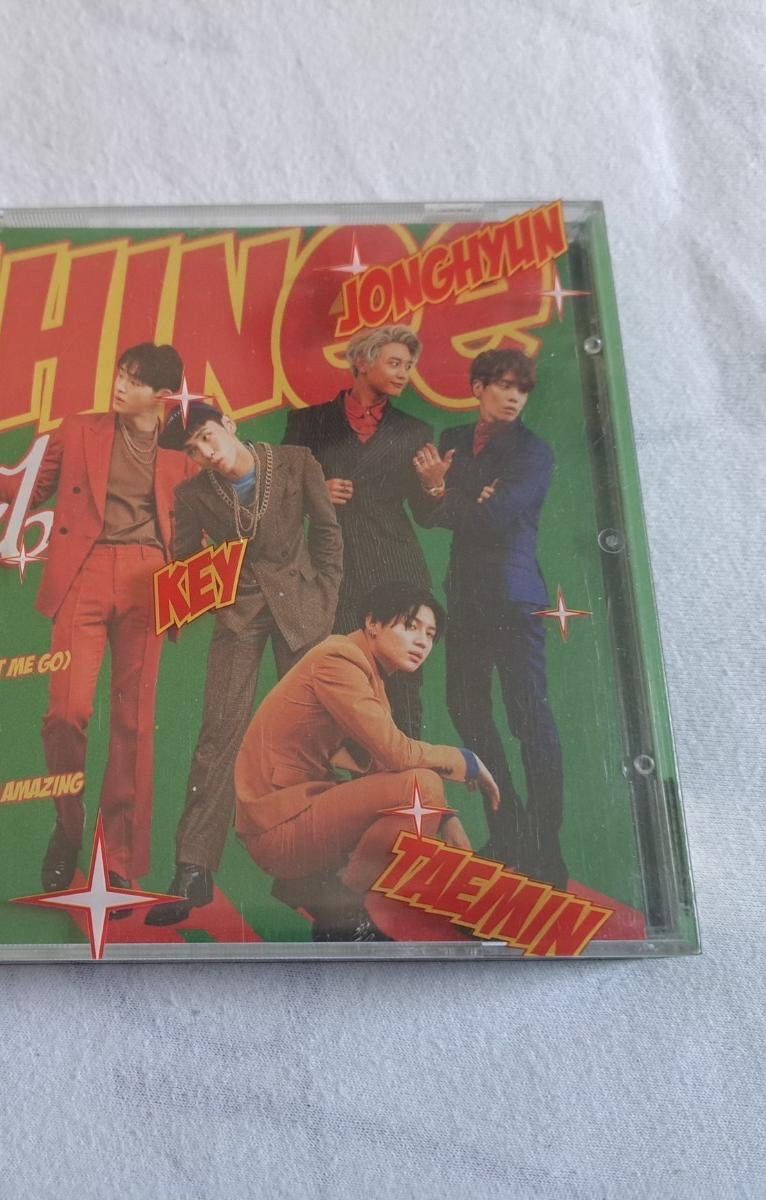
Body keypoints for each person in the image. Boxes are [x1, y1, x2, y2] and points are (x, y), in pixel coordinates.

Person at [0, 344, 198, 894]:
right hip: (84, 571)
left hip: (152, 579)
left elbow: (216, 508)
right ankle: (68, 826)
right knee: (65, 713)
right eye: (120, 374)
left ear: (162, 395)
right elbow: (31, 490)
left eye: (134, 381)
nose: (120, 386)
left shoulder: (185, 447)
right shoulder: (79, 430)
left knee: (134, 723)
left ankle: (121, 859)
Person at [142, 401, 343, 926]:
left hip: (302, 608)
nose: (206, 453)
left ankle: (323, 873)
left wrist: (325, 595)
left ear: (229, 424)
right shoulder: (192, 495)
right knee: (219, 736)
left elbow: (327, 532)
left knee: (310, 737)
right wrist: (198, 589)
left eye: (208, 437)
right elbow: (186, 562)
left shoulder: (296, 461)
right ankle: (193, 870)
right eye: (193, 450)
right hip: (239, 616)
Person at [232, 582, 499, 941]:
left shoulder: (368, 676)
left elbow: (385, 767)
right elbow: (397, 753)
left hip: (301, 812)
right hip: (277, 824)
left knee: (420, 792)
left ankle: (347, 905)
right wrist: (466, 760)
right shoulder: (339, 659)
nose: (422, 642)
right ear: (372, 623)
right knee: (421, 786)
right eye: (411, 626)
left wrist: (446, 818)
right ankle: (341, 911)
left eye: (430, 634)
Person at [412, 348, 566, 887]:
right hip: (467, 598)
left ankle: (547, 852)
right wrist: (445, 494)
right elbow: (425, 512)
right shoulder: (452, 438)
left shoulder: (534, 452)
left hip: (514, 599)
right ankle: (510, 832)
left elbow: (494, 518)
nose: (514, 397)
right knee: (466, 709)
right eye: (503, 385)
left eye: (522, 389)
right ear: (478, 387)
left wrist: (445, 493)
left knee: (529, 722)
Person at [283, 324, 436, 738]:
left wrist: (433, 485)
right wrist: (316, 494)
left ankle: (407, 773)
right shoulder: (307, 423)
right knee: (343, 681)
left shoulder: (414, 432)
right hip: (334, 568)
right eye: (395, 363)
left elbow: (424, 515)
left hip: (396, 566)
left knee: (403, 686)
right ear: (362, 363)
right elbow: (277, 500)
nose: (404, 373)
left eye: (408, 366)